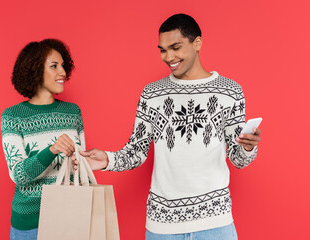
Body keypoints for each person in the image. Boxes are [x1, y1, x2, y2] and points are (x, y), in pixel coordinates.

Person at [75, 14, 261, 239]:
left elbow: (238, 160)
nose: (168, 57)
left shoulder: (229, 91)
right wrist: (108, 159)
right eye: (163, 50)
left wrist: (248, 147)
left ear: (197, 43)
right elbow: (136, 151)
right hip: (163, 226)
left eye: (175, 47)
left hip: (215, 224)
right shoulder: (152, 94)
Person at [1, 39, 84, 240]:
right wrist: (52, 150)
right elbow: (18, 175)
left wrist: (82, 161)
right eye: (54, 66)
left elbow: (80, 169)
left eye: (63, 66)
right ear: (35, 69)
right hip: (31, 225)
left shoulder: (73, 112)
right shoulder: (13, 116)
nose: (63, 72)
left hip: (70, 218)